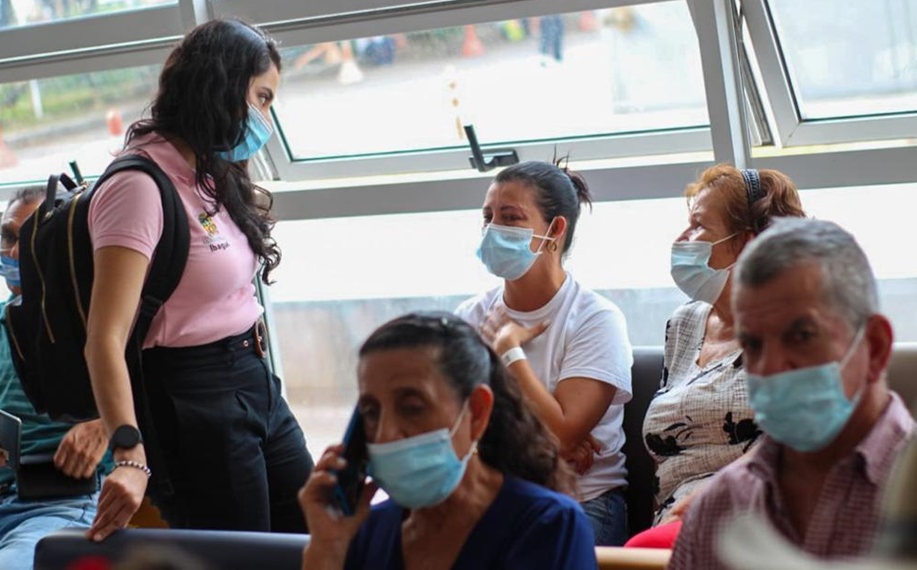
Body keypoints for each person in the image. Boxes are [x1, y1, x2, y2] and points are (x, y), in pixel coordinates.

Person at [82, 18, 313, 540]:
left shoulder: (206, 170)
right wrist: (129, 453)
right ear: (221, 86)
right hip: (193, 399)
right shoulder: (138, 186)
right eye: (261, 98)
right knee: (243, 555)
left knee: (314, 535)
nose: (265, 119)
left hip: (252, 377)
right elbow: (104, 339)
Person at [668, 217, 916, 569]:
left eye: (801, 336)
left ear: (874, 347)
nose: (769, 368)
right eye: (753, 344)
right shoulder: (721, 509)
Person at [299, 312, 597, 569]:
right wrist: (327, 551)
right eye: (371, 412)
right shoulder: (365, 532)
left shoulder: (548, 526)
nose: (385, 434)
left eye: (412, 407)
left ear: (476, 413)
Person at [455, 160, 633, 546]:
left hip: (580, 501)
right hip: (492, 499)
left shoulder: (596, 318)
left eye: (510, 217)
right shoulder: (469, 316)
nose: (493, 229)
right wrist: (540, 446)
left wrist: (508, 351)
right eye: (488, 217)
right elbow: (450, 430)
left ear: (555, 230)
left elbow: (563, 435)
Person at [631, 165, 805, 548]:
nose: (681, 239)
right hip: (672, 523)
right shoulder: (684, 323)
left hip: (752, 517)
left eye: (698, 226)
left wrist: (711, 497)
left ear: (746, 244)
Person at [0, 187, 111, 570]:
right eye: (8, 237)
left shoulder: (98, 325)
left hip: (65, 505)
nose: (15, 252)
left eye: (30, 238)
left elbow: (159, 401)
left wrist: (106, 424)